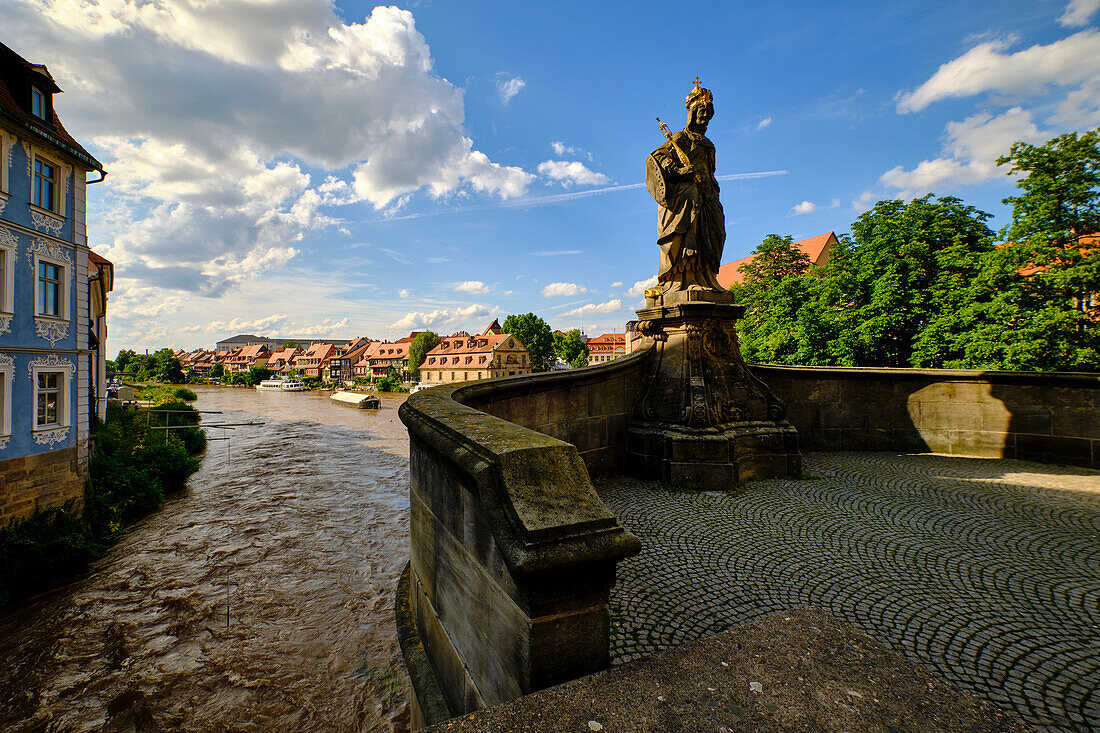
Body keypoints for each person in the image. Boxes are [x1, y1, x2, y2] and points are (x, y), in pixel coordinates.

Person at [645, 83, 726, 292]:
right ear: (692, 112)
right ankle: (678, 279)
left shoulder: (708, 144)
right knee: (685, 229)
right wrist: (681, 172)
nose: (705, 116)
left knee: (717, 229)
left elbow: (711, 173)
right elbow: (658, 157)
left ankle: (706, 276)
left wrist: (711, 190)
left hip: (707, 196)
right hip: (684, 198)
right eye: (701, 111)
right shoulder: (680, 137)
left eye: (708, 112)